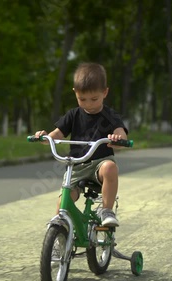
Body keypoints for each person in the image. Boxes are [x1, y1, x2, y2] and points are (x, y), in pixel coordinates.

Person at [34, 62, 128, 227]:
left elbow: (122, 135)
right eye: (82, 99)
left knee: (110, 168)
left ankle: (106, 210)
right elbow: (56, 135)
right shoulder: (73, 115)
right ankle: (59, 227)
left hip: (100, 165)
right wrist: (45, 137)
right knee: (66, 194)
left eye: (94, 99)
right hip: (77, 165)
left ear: (104, 92)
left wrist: (117, 138)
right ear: (75, 93)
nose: (88, 104)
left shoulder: (110, 116)